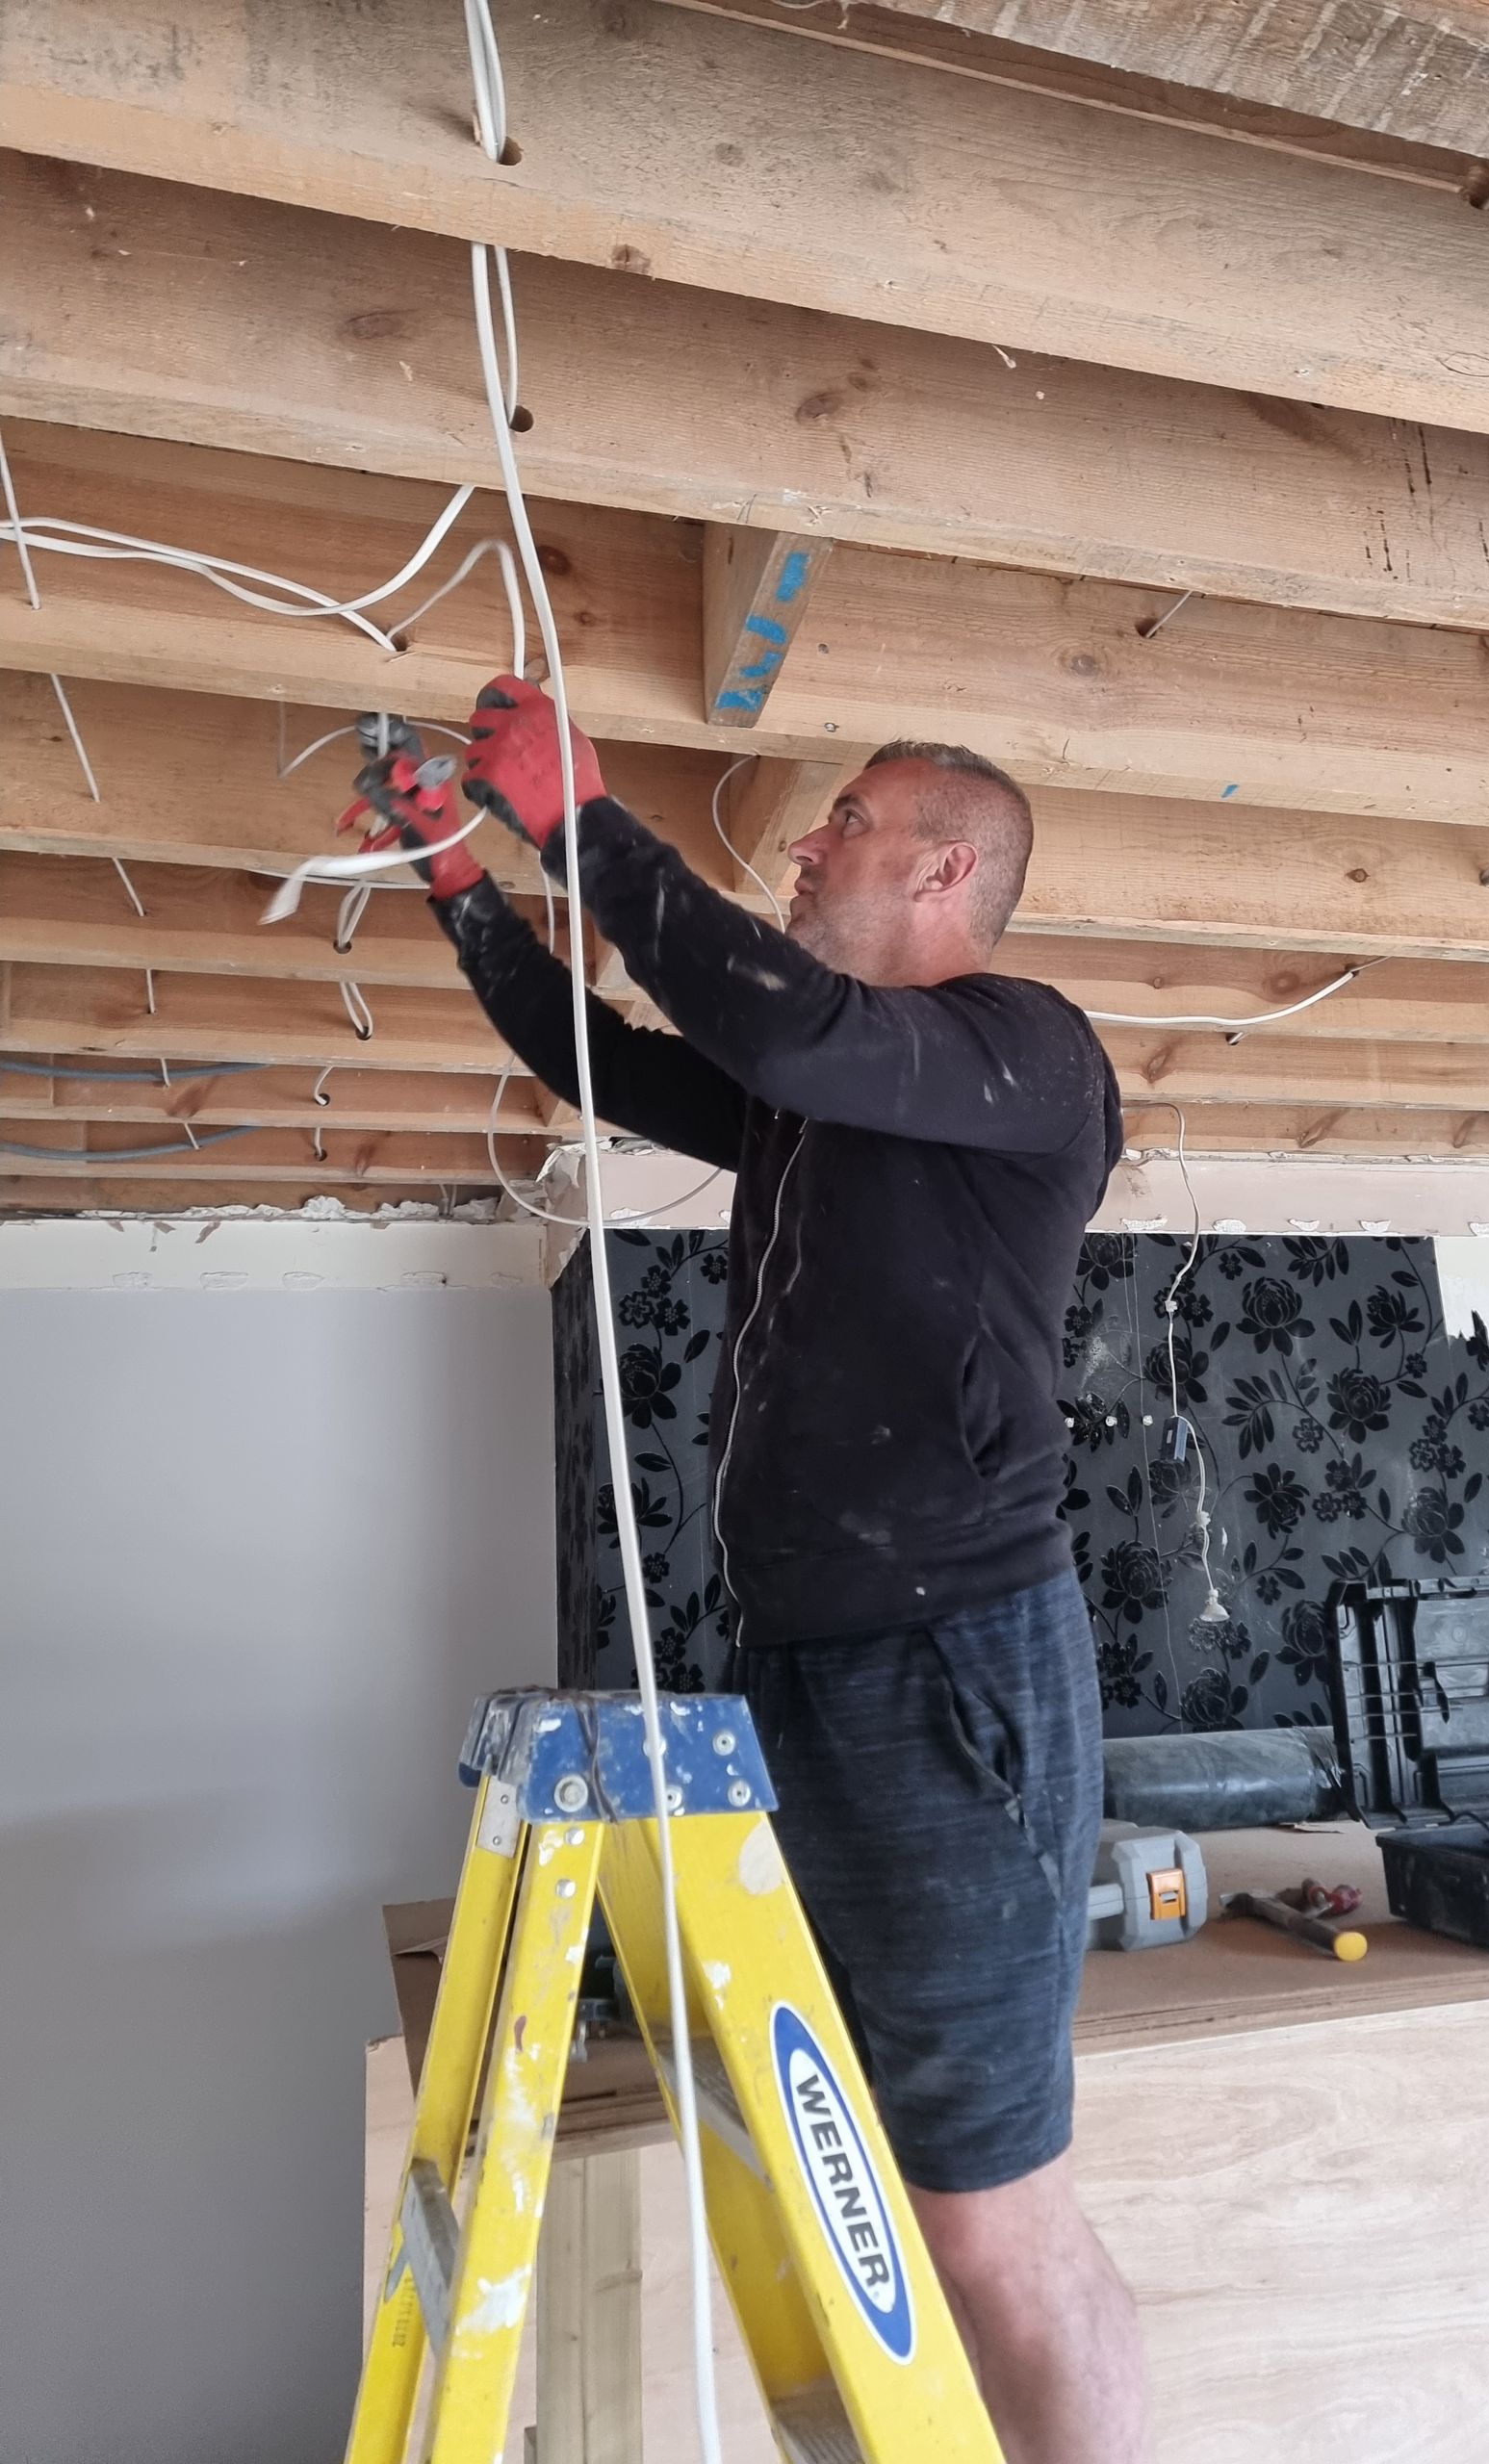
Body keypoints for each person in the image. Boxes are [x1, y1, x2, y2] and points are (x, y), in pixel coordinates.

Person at [361, 676, 1146, 2464]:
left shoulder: (1028, 1055)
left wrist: (584, 824)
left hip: (954, 1675)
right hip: (807, 1665)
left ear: (946, 870)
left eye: (846, 820)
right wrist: (458, 878)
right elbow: (605, 1061)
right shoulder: (832, 1103)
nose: (806, 843)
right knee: (861, 2161)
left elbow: (792, 1040)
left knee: (990, 2217)